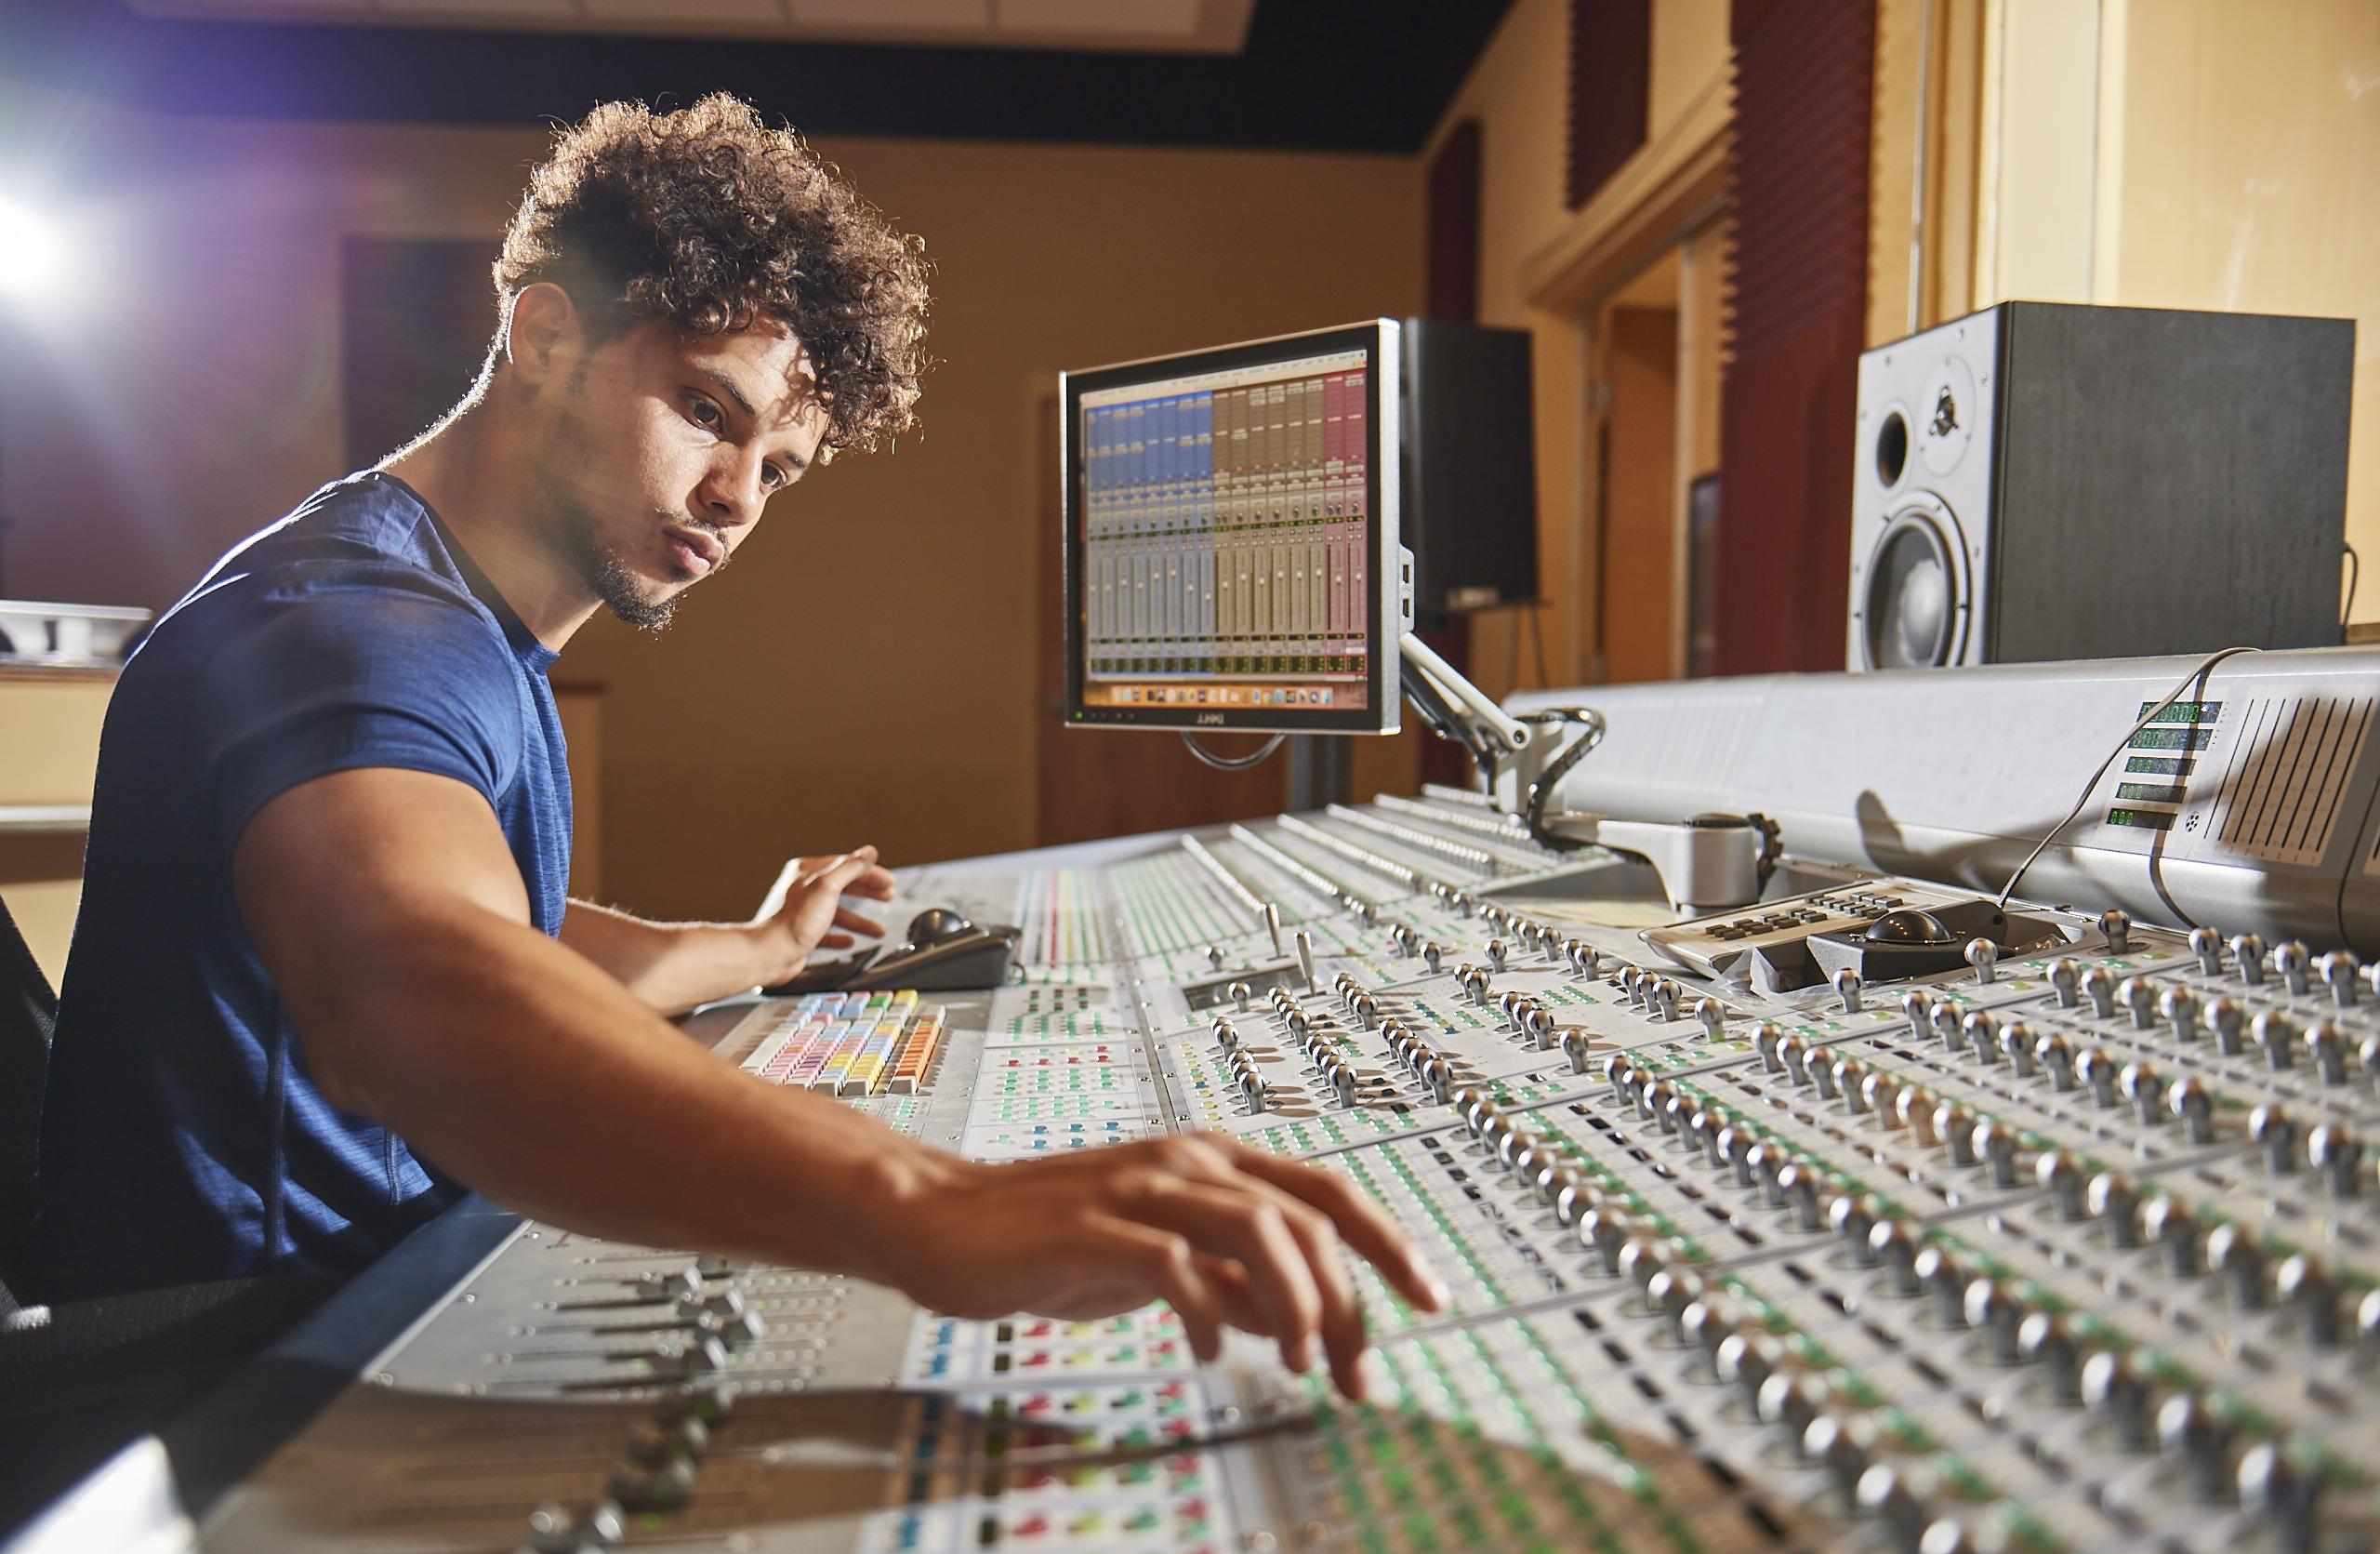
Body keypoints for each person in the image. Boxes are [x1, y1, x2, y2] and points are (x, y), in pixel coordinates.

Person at [25, 94, 1439, 1397]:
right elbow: (420, 985)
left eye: (778, 467)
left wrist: (758, 950)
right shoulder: (351, 634)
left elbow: (503, 922)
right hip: (240, 1351)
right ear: (544, 338)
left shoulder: (442, 610)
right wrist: (924, 1207)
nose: (733, 498)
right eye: (707, 411)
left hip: (358, 1278)